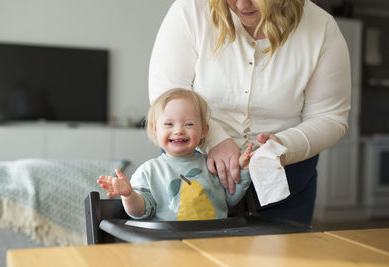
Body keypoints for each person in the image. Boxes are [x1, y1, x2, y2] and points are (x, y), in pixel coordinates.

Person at [148, 0, 351, 225]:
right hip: (194, 175)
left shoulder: (321, 28)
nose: (242, 4)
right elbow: (166, 97)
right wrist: (215, 139)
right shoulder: (190, 11)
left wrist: (285, 145)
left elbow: (330, 116)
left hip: (283, 184)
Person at [98, 88, 254, 220]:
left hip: (214, 240)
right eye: (169, 124)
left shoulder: (211, 166)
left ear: (203, 131)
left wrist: (243, 170)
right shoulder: (149, 171)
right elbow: (140, 213)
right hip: (170, 244)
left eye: (189, 124)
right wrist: (129, 195)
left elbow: (231, 199)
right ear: (155, 129)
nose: (178, 130)